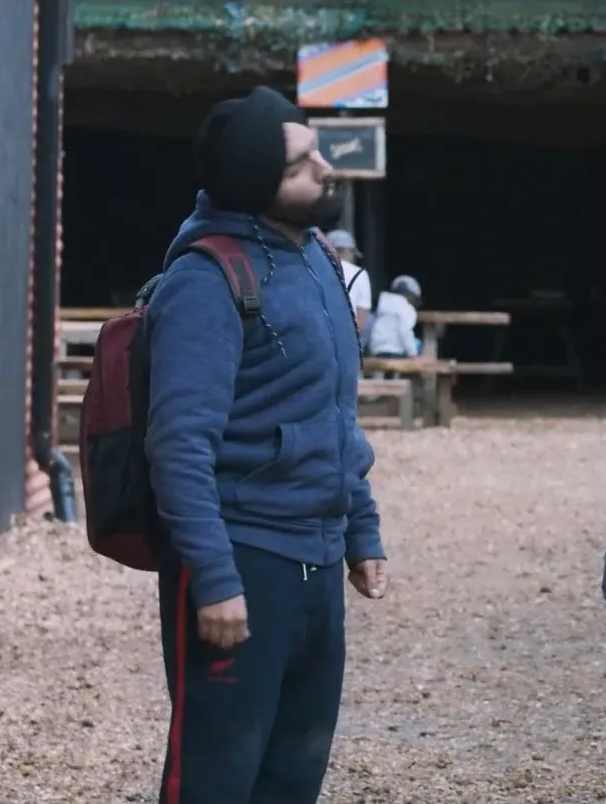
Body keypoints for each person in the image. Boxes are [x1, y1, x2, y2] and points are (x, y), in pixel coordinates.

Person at [143, 85, 389, 804]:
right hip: (243, 557)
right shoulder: (204, 280)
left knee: (292, 776)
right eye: (300, 165)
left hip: (318, 559)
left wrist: (361, 529)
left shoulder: (317, 259)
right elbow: (179, 445)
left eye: (317, 151)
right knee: (215, 779)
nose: (325, 168)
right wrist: (215, 578)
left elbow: (333, 410)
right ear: (254, 184)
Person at [325, 228, 373, 339]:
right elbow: (362, 316)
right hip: (346, 336)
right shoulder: (359, 273)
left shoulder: (315, 270)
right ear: (349, 250)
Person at [365, 274, 422, 359]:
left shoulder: (382, 304)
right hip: (395, 351)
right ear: (410, 294)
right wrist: (413, 354)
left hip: (376, 349)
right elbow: (405, 331)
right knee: (417, 344)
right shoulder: (407, 307)